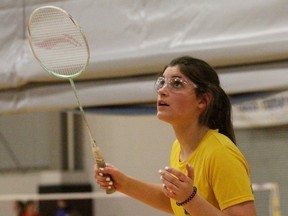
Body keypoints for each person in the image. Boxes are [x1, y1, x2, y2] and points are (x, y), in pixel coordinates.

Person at [94, 56, 257, 216]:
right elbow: (177, 204)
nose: (162, 91)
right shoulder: (178, 147)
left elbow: (188, 203)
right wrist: (124, 183)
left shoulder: (221, 152)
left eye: (177, 84)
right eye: (162, 82)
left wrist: (189, 199)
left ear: (203, 100)